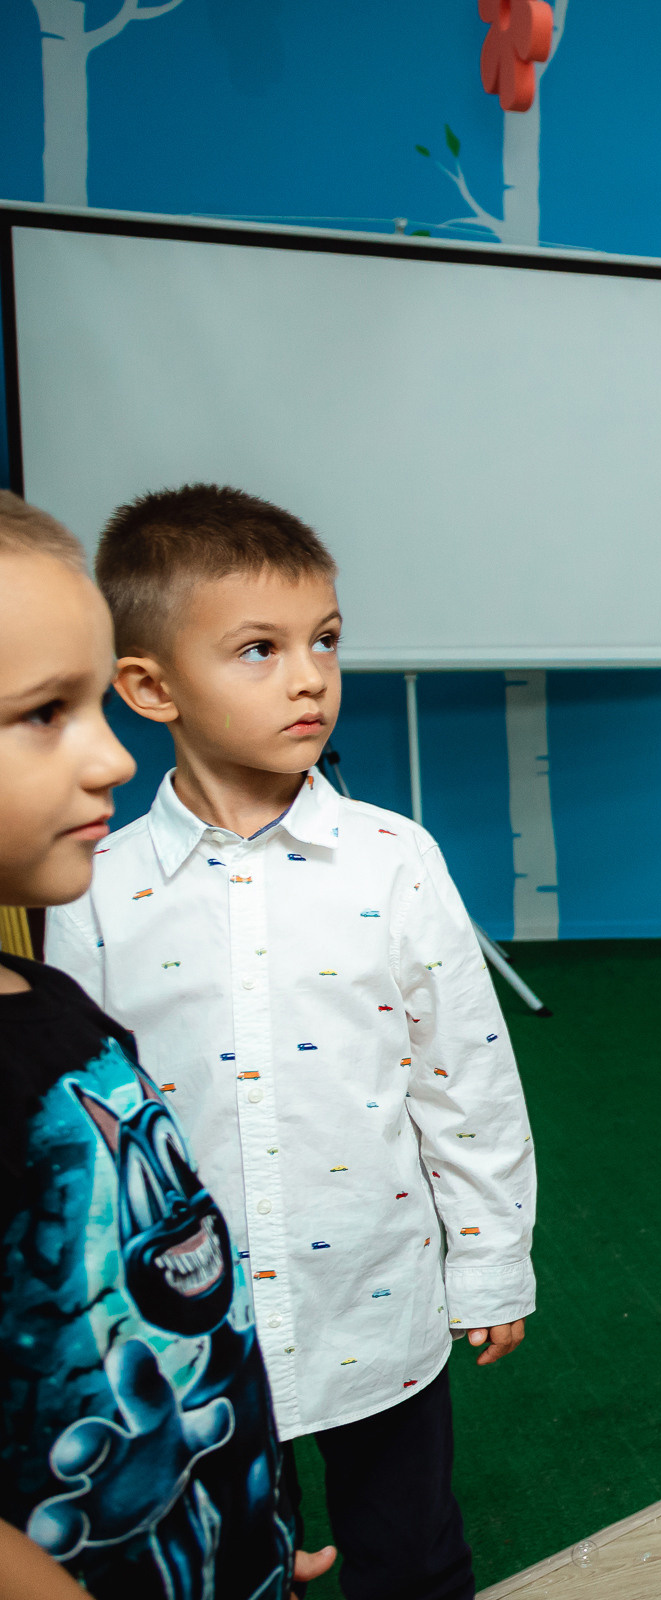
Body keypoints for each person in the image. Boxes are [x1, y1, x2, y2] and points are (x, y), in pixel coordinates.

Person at [46, 486, 538, 1600]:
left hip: (375, 1296)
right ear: (150, 687)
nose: (310, 676)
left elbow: (463, 1079)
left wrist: (490, 1258)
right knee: (233, 1567)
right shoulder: (97, 887)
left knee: (413, 1558)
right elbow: (84, 1129)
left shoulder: (394, 858)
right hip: (189, 1329)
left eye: (325, 640)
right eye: (259, 650)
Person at [0, 491, 336, 1598]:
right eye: (43, 713)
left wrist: (240, 1517)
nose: (110, 758)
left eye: (94, 704)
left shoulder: (48, 1003)